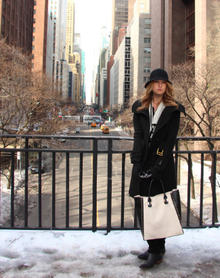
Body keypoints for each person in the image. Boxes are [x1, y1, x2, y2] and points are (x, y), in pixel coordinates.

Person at [129, 68, 185, 269]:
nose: (160, 85)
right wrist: (136, 162)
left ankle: (156, 251)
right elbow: (138, 136)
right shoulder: (140, 108)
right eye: (156, 82)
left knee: (158, 207)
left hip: (162, 163)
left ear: (167, 86)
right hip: (142, 161)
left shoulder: (173, 109)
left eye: (163, 82)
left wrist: (158, 166)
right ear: (150, 86)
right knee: (143, 204)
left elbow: (170, 140)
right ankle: (156, 247)